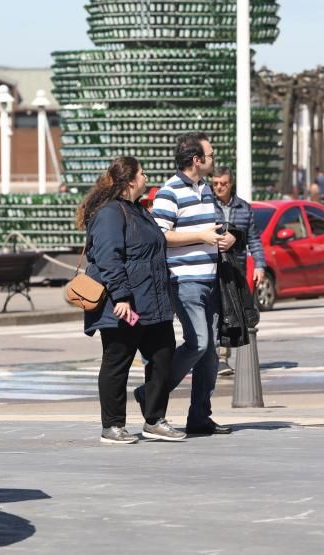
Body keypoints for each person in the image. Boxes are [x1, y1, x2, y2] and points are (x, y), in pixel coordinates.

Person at [77, 156, 184, 444]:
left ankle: (154, 419)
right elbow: (109, 257)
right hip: (124, 305)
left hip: (151, 302)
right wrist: (122, 296)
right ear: (130, 181)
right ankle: (112, 426)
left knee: (163, 353)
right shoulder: (111, 213)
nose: (147, 178)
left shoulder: (137, 210)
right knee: (117, 361)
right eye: (143, 173)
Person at [148, 132, 236, 436]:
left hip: (211, 280)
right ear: (196, 160)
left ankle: (199, 416)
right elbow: (160, 235)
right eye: (210, 156)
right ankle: (152, 392)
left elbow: (208, 227)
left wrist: (226, 236)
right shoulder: (168, 192)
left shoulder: (206, 190)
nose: (214, 160)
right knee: (198, 342)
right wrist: (202, 237)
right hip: (184, 280)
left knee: (210, 353)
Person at [211, 166, 266, 376]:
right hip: (212, 267)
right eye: (215, 184)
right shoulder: (207, 206)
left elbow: (254, 238)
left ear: (230, 183)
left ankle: (226, 356)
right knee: (218, 310)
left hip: (236, 268)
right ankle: (218, 357)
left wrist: (259, 265)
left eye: (223, 184)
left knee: (233, 311)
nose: (219, 188)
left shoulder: (244, 208)